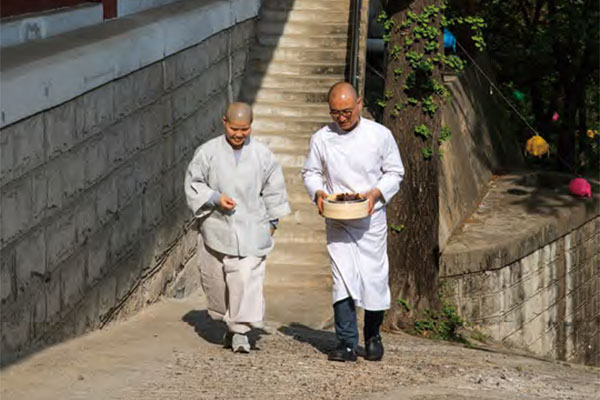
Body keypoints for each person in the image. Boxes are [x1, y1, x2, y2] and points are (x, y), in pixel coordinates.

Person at [302, 82, 404, 362]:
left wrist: (375, 194)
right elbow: (310, 172)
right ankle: (346, 342)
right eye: (335, 112)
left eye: (347, 111)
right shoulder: (321, 138)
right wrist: (319, 193)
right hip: (338, 218)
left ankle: (373, 337)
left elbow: (395, 172)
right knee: (342, 277)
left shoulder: (380, 135)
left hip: (371, 219)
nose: (342, 117)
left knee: (374, 277)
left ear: (359, 104)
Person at [185, 102, 291, 353]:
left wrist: (272, 224)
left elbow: (274, 190)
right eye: (234, 128)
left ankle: (240, 331)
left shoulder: (263, 155)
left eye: (244, 129)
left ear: (251, 126)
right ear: (224, 122)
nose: (239, 134)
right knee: (220, 285)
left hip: (253, 227)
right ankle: (230, 325)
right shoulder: (207, 152)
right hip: (218, 226)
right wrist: (214, 197)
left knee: (246, 277)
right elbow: (193, 183)